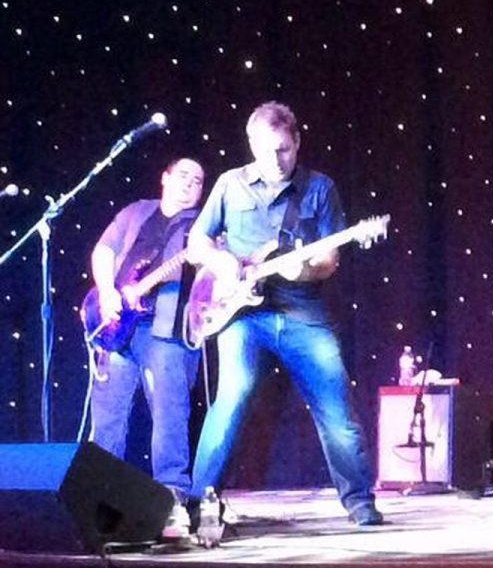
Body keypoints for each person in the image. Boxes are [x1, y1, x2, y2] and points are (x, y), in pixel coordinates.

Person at [186, 101, 382, 526]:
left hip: (301, 310)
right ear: (251, 144)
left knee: (335, 402)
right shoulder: (230, 184)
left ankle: (360, 502)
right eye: (266, 150)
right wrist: (222, 262)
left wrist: (305, 269)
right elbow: (197, 242)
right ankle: (200, 503)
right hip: (241, 314)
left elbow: (329, 259)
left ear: (297, 142)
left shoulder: (320, 188)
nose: (275, 160)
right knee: (233, 395)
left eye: (283, 150)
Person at [88, 157, 205, 536]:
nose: (190, 184)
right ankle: (98, 502)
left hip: (167, 330)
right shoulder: (136, 211)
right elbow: (104, 251)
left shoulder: (202, 225)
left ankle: (172, 501)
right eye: (183, 175)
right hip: (117, 326)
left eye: (198, 181)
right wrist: (108, 292)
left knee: (170, 413)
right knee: (107, 418)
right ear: (164, 177)